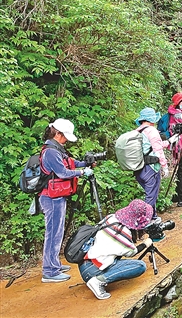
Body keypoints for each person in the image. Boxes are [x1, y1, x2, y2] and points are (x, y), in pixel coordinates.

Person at [39, 119, 93, 283]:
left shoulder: (57, 149)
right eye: (65, 137)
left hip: (56, 197)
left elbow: (70, 163)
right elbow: (63, 172)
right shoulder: (50, 152)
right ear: (58, 133)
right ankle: (49, 271)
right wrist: (82, 172)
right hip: (51, 198)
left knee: (57, 232)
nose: (67, 140)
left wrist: (84, 164)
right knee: (53, 233)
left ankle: (53, 264)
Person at [78, 199, 153, 299]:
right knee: (140, 266)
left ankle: (96, 278)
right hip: (92, 270)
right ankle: (99, 281)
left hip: (84, 263)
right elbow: (132, 252)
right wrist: (146, 244)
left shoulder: (111, 218)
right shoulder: (123, 234)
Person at [133, 108, 169, 219]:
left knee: (150, 194)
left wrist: (167, 142)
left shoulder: (138, 131)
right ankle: (148, 220)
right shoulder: (152, 131)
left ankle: (152, 216)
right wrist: (165, 167)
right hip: (151, 168)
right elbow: (158, 151)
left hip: (139, 168)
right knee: (151, 196)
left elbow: (148, 147)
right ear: (152, 119)